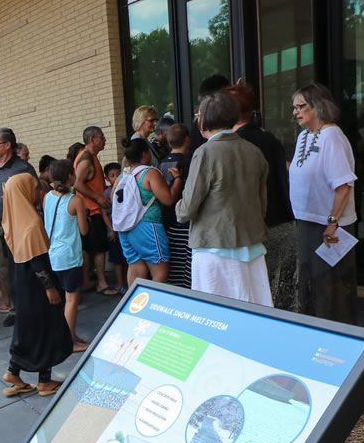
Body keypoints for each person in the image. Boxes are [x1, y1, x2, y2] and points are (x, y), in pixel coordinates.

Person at [178, 90, 271, 305]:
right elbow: (261, 203)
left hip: (214, 247)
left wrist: (178, 206)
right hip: (251, 246)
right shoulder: (254, 151)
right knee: (253, 309)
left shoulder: (206, 152)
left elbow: (187, 209)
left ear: (203, 120)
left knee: (215, 314)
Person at [289, 83, 359, 323]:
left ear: (318, 106)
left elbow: (343, 185)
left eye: (301, 106)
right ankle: (317, 330)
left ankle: (338, 333)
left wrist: (332, 223)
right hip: (307, 221)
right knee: (313, 282)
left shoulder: (332, 137)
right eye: (294, 107)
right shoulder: (304, 136)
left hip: (328, 225)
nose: (296, 112)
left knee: (330, 282)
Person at [0, 174, 71, 397]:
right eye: (34, 187)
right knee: (47, 329)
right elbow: (38, 261)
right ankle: (44, 382)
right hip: (37, 287)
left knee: (28, 329)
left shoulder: (10, 222)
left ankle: (13, 372)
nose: (38, 192)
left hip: (21, 286)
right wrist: (50, 288)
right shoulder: (31, 223)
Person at [229, 81, 295, 311]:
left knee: (258, 301)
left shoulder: (236, 144)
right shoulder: (269, 138)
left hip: (257, 232)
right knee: (284, 297)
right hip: (284, 222)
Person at [0, 127, 36, 320]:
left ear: (7, 145)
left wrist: (17, 198)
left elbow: (37, 194)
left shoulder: (22, 168)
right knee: (4, 271)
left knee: (22, 269)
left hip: (18, 227)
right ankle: (14, 309)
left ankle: (28, 309)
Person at [115, 138, 180, 285]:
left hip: (125, 228)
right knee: (160, 272)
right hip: (148, 227)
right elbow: (168, 199)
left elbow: (114, 199)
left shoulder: (123, 176)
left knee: (136, 270)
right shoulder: (150, 173)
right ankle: (154, 300)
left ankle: (134, 300)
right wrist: (177, 179)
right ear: (144, 153)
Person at [41, 158, 88, 353]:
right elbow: (84, 230)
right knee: (71, 300)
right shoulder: (75, 200)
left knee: (60, 300)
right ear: (70, 176)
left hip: (52, 253)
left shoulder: (47, 197)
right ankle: (69, 342)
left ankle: (69, 336)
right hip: (69, 255)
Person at [72, 125, 115, 295]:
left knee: (90, 248)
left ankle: (87, 281)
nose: (104, 140)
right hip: (92, 211)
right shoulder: (86, 159)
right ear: (92, 139)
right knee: (98, 249)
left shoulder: (90, 157)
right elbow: (77, 184)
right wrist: (98, 198)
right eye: (101, 137)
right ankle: (102, 283)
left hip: (90, 211)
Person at [158, 122, 193, 289]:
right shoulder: (189, 162)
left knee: (173, 261)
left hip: (167, 218)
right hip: (185, 221)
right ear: (187, 139)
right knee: (187, 264)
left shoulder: (161, 163)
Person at [101, 162, 127, 290]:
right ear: (107, 178)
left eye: (118, 174)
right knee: (117, 260)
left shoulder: (126, 188)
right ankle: (120, 284)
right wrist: (112, 230)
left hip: (125, 230)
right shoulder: (107, 193)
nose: (116, 177)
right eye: (112, 175)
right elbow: (105, 214)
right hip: (114, 233)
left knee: (127, 258)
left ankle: (128, 283)